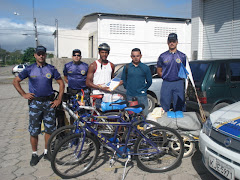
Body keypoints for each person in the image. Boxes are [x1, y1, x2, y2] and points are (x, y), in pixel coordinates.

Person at [12, 46, 64, 166]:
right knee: (34, 130)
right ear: (35, 55)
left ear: (45, 55)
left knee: (49, 129)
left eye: (43, 54)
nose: (41, 56)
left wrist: (59, 99)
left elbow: (61, 83)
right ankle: (34, 154)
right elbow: (15, 81)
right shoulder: (29, 69)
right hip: (35, 104)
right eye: (39, 54)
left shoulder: (51, 68)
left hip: (49, 103)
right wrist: (23, 94)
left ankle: (47, 152)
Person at [157, 33, 187, 112]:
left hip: (178, 83)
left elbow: (185, 70)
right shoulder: (163, 56)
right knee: (164, 105)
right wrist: (165, 76)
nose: (172, 43)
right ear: (167, 42)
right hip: (167, 83)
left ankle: (179, 122)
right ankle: (164, 123)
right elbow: (159, 70)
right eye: (170, 41)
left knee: (179, 105)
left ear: (177, 42)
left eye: (173, 41)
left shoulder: (182, 56)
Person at [121, 48, 152, 117]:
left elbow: (149, 81)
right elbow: (123, 80)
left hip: (142, 96)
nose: (135, 58)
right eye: (134, 56)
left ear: (141, 56)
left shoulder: (145, 67)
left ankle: (144, 127)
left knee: (144, 115)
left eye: (137, 56)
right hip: (130, 95)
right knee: (131, 116)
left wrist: (143, 89)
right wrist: (128, 88)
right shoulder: (127, 67)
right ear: (131, 57)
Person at [63, 49, 89, 123]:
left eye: (78, 55)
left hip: (83, 92)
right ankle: (72, 129)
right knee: (72, 112)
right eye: (74, 55)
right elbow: (65, 77)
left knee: (83, 112)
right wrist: (72, 83)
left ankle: (83, 130)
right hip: (72, 93)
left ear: (80, 57)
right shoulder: (67, 66)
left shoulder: (85, 66)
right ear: (72, 56)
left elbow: (88, 78)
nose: (76, 57)